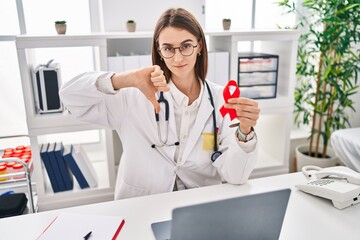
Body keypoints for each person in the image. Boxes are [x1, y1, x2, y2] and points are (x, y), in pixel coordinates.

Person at [60, 8, 260, 200]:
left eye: (186, 46)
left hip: (199, 204)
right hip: (143, 205)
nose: (178, 57)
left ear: (199, 45)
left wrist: (244, 132)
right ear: (159, 50)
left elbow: (236, 176)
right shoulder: (133, 96)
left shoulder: (220, 99)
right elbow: (69, 96)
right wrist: (123, 79)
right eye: (168, 49)